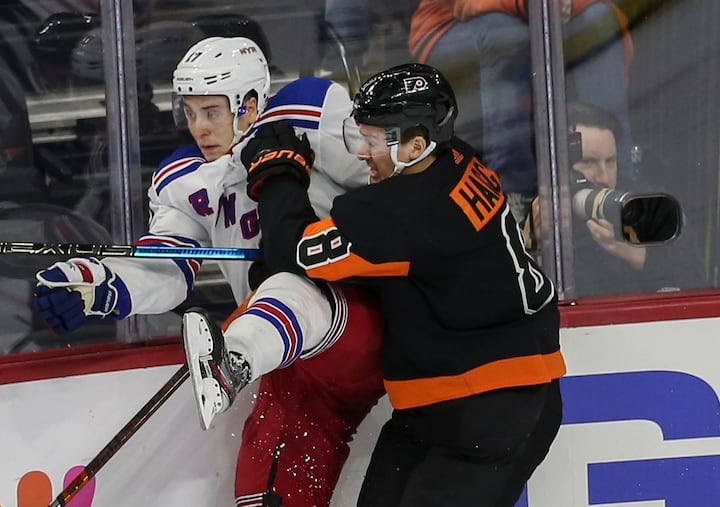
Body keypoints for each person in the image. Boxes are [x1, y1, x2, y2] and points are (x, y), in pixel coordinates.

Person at [33, 35, 386, 507]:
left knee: (284, 284)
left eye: (212, 111)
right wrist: (95, 284)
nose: (198, 127)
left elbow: (389, 175)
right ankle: (238, 358)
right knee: (265, 491)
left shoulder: (307, 114)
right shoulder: (183, 180)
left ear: (251, 104)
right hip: (290, 361)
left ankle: (232, 360)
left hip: (363, 316)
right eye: (190, 112)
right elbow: (167, 267)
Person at [191, 62, 565, 506]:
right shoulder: (456, 158)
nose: (362, 152)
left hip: (489, 412)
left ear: (417, 144)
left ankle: (236, 360)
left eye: (372, 140)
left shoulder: (405, 212)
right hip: (452, 402)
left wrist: (278, 176)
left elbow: (297, 252)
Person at [408, 0, 634, 223]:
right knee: (506, 31)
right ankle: (512, 195)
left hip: (552, 14)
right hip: (456, 22)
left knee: (598, 20)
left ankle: (618, 187)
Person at [523, 101, 706, 297]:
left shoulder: (645, 205)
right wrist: (532, 247)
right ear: (555, 169)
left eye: (610, 161)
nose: (603, 176)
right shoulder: (536, 214)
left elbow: (696, 287)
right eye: (588, 162)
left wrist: (642, 258)